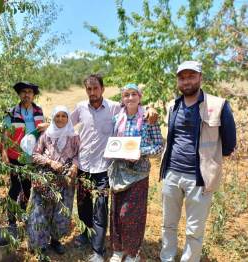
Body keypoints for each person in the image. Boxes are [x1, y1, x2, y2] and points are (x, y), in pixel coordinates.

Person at [70, 74, 158, 262]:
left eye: (95, 88)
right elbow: (64, 124)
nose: (92, 92)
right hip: (86, 165)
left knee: (102, 208)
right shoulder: (81, 108)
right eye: (89, 89)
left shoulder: (114, 108)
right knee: (84, 205)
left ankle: (99, 250)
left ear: (102, 89)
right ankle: (87, 235)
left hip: (105, 167)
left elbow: (136, 106)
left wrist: (150, 108)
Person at [159, 61, 236, 262]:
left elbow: (229, 144)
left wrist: (210, 163)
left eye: (191, 76)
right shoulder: (172, 105)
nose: (186, 81)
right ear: (178, 81)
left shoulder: (219, 105)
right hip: (172, 175)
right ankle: (167, 258)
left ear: (200, 77)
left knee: (194, 230)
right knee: (168, 224)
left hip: (200, 178)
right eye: (182, 77)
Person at [108, 83, 163, 262]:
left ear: (140, 97)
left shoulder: (148, 118)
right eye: (126, 95)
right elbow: (113, 143)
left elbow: (158, 146)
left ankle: (133, 252)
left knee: (132, 213)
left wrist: (141, 152)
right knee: (116, 212)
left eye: (134, 94)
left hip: (139, 173)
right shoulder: (117, 119)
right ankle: (118, 249)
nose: (130, 98)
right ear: (122, 99)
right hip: (119, 171)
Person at [26, 105, 79, 257]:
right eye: (57, 116)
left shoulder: (74, 136)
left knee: (60, 212)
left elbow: (78, 155)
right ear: (53, 118)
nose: (60, 119)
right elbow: (35, 154)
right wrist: (50, 162)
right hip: (46, 179)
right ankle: (40, 245)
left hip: (66, 179)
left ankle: (55, 240)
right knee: (41, 211)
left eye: (64, 116)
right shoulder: (46, 135)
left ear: (68, 118)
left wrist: (75, 166)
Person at [0, 81, 47, 227]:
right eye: (24, 92)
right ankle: (11, 219)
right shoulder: (11, 112)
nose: (27, 95)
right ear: (20, 94)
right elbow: (5, 133)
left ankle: (22, 213)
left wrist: (46, 126)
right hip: (15, 155)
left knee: (27, 187)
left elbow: (45, 132)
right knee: (15, 187)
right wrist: (4, 152)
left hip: (31, 156)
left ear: (33, 95)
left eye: (30, 92)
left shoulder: (38, 111)